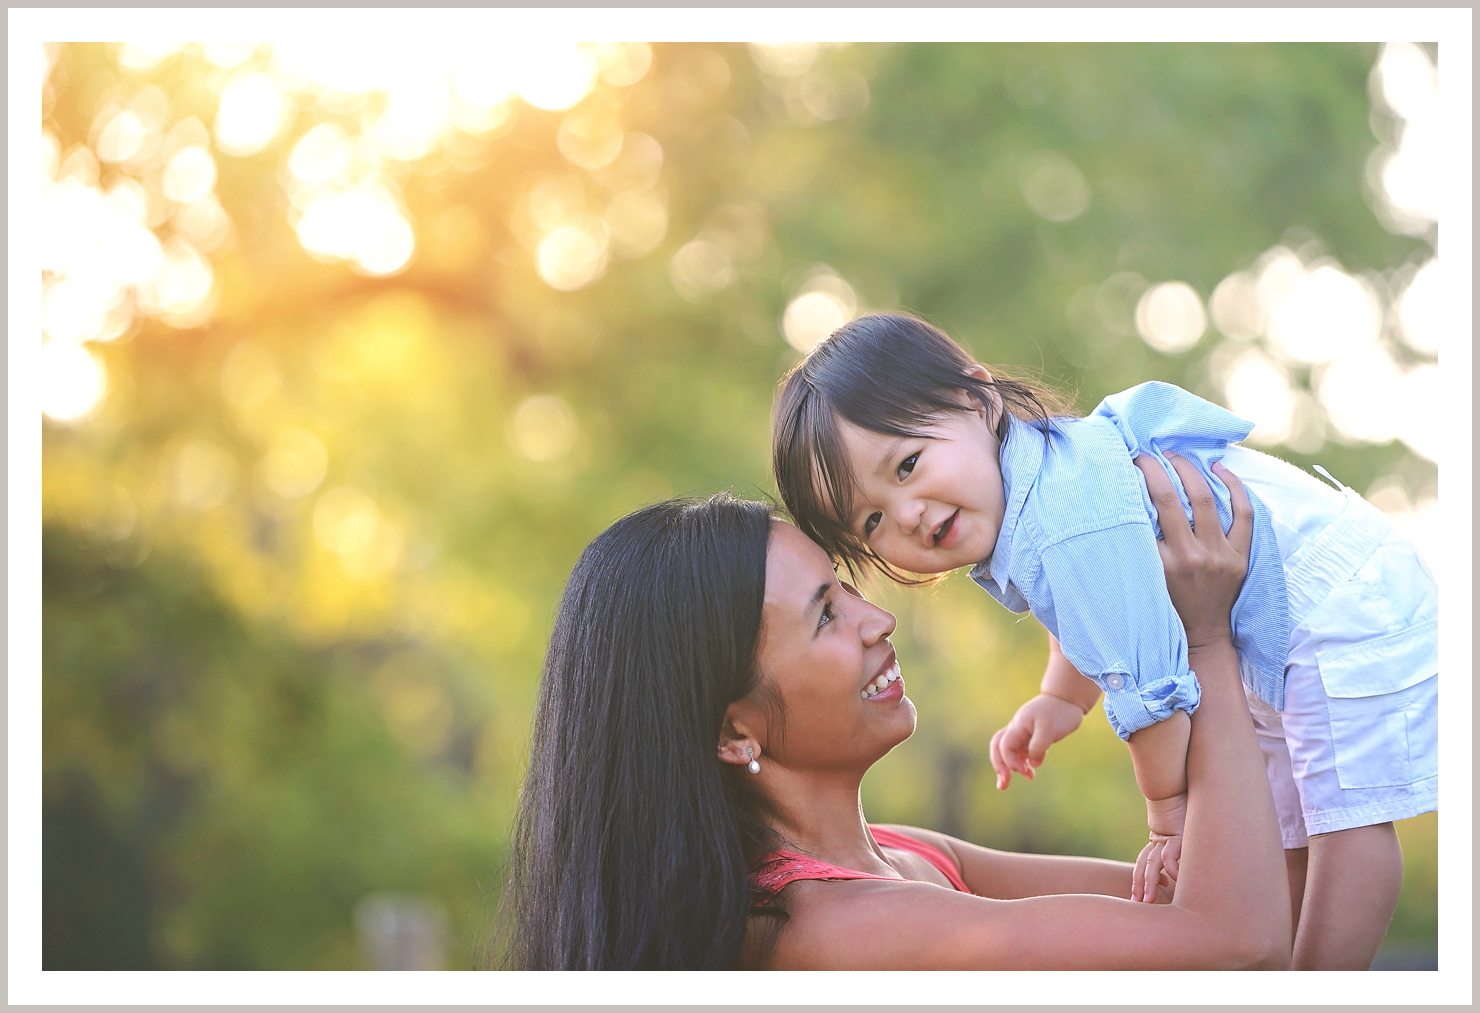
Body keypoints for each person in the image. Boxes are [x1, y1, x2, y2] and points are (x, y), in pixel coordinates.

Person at [770, 311, 1437, 970]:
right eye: (873, 519)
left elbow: (1151, 691)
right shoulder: (1036, 493)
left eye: (909, 464)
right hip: (1269, 622)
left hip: (1337, 600)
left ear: (977, 400)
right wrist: (1060, 698)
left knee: (1345, 817)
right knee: (1282, 828)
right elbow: (1098, 611)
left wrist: (1168, 818)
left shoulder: (1064, 522)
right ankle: (1279, 977)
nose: (909, 513)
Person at [499, 459, 1291, 969]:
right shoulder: (831, 929)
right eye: (822, 617)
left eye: (845, 588)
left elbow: (1227, 900)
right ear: (733, 728)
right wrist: (1205, 638)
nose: (878, 620)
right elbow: (1234, 943)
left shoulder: (908, 859)